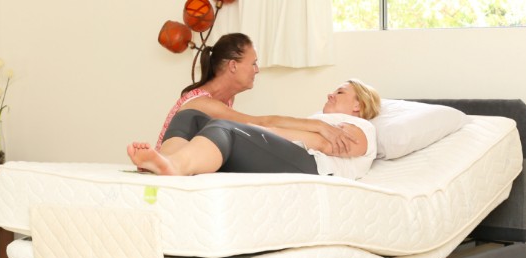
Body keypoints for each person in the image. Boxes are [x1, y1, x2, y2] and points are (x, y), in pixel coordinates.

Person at [128, 79, 381, 180]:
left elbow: (324, 144)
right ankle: (167, 161)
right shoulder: (320, 120)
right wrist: (313, 126)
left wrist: (256, 132)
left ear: (358, 104)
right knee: (191, 116)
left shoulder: (364, 128)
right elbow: (277, 125)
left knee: (224, 128)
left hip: (312, 168)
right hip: (289, 155)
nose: (330, 94)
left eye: (340, 92)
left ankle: (175, 167)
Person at [155, 33, 358, 155]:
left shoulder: (226, 99)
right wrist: (319, 125)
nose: (257, 70)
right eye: (253, 63)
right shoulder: (202, 102)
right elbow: (260, 123)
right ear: (233, 66)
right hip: (172, 163)